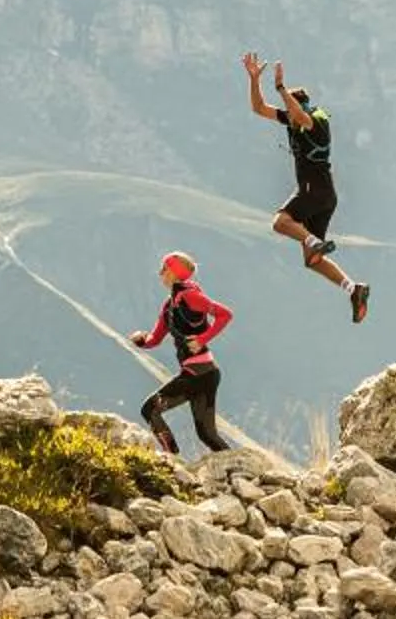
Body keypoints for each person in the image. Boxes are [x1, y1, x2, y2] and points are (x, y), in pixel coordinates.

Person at [243, 50, 372, 323]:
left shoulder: (315, 122)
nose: (287, 118)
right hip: (323, 195)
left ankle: (314, 241)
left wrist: (279, 88)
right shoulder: (294, 121)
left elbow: (300, 117)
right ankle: (354, 289)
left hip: (315, 190)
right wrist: (254, 79)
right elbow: (258, 109)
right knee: (311, 261)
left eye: (290, 112)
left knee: (280, 223)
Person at [129, 251, 233, 457]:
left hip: (199, 373)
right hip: (204, 374)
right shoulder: (169, 305)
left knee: (150, 409)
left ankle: (171, 459)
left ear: (175, 273)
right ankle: (238, 467)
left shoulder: (190, 296)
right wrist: (140, 340)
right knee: (207, 434)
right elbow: (154, 339)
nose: (160, 273)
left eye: (164, 269)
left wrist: (202, 340)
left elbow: (225, 314)